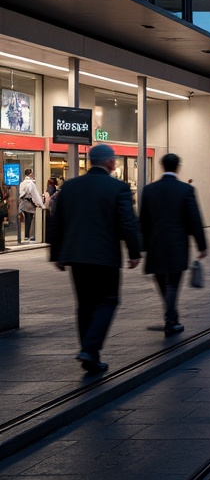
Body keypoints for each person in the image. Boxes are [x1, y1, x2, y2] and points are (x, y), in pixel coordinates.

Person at [48, 143, 141, 373]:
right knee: (108, 301)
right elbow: (127, 223)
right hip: (105, 257)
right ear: (109, 162)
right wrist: (134, 252)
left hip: (77, 257)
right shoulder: (118, 187)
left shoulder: (70, 187)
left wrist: (57, 254)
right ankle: (90, 348)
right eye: (114, 160)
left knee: (85, 304)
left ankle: (91, 354)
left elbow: (57, 222)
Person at [139, 153, 208, 336]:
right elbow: (194, 219)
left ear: (162, 166)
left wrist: (142, 246)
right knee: (173, 283)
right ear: (177, 167)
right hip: (177, 244)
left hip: (155, 244)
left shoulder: (149, 190)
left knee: (162, 282)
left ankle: (172, 316)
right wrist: (201, 245)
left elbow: (143, 220)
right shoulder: (185, 190)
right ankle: (171, 320)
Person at [18, 168, 44, 242]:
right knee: (29, 220)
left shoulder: (22, 183)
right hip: (29, 204)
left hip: (23, 203)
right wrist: (41, 205)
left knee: (26, 219)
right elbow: (35, 195)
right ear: (30, 174)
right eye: (32, 173)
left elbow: (21, 193)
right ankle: (28, 236)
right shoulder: (31, 183)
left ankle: (27, 235)